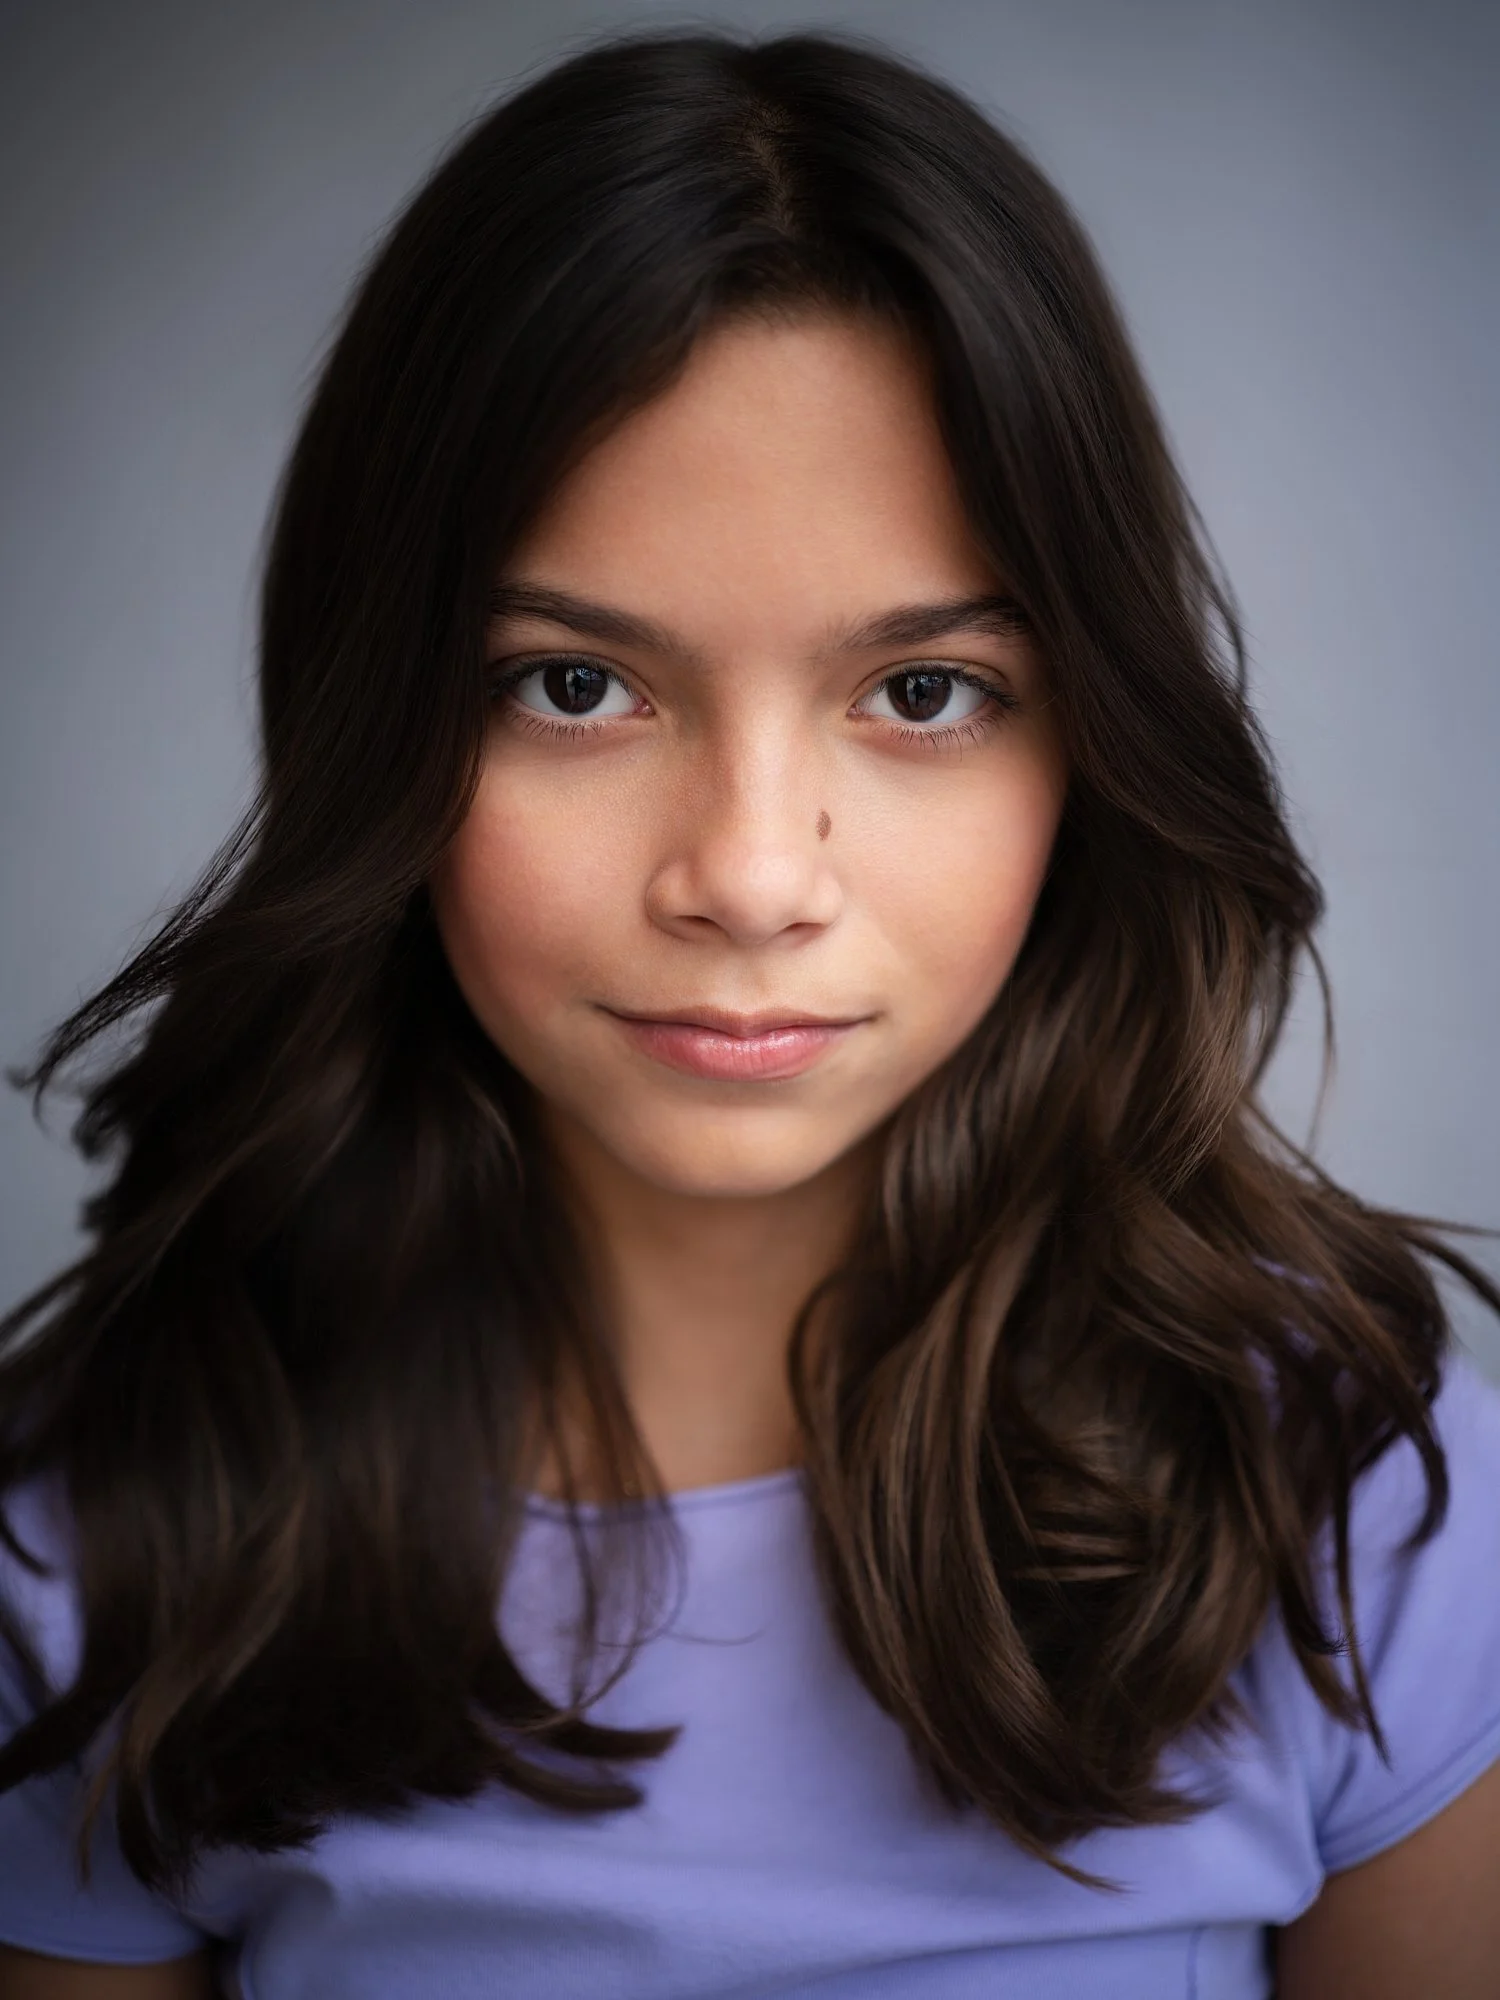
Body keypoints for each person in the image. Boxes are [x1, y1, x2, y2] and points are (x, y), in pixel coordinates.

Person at [1, 25, 1497, 2000]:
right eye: (572, 686)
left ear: (1092, 750)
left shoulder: (1352, 1507)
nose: (752, 874)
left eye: (924, 694)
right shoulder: (102, 1547)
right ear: (378, 721)